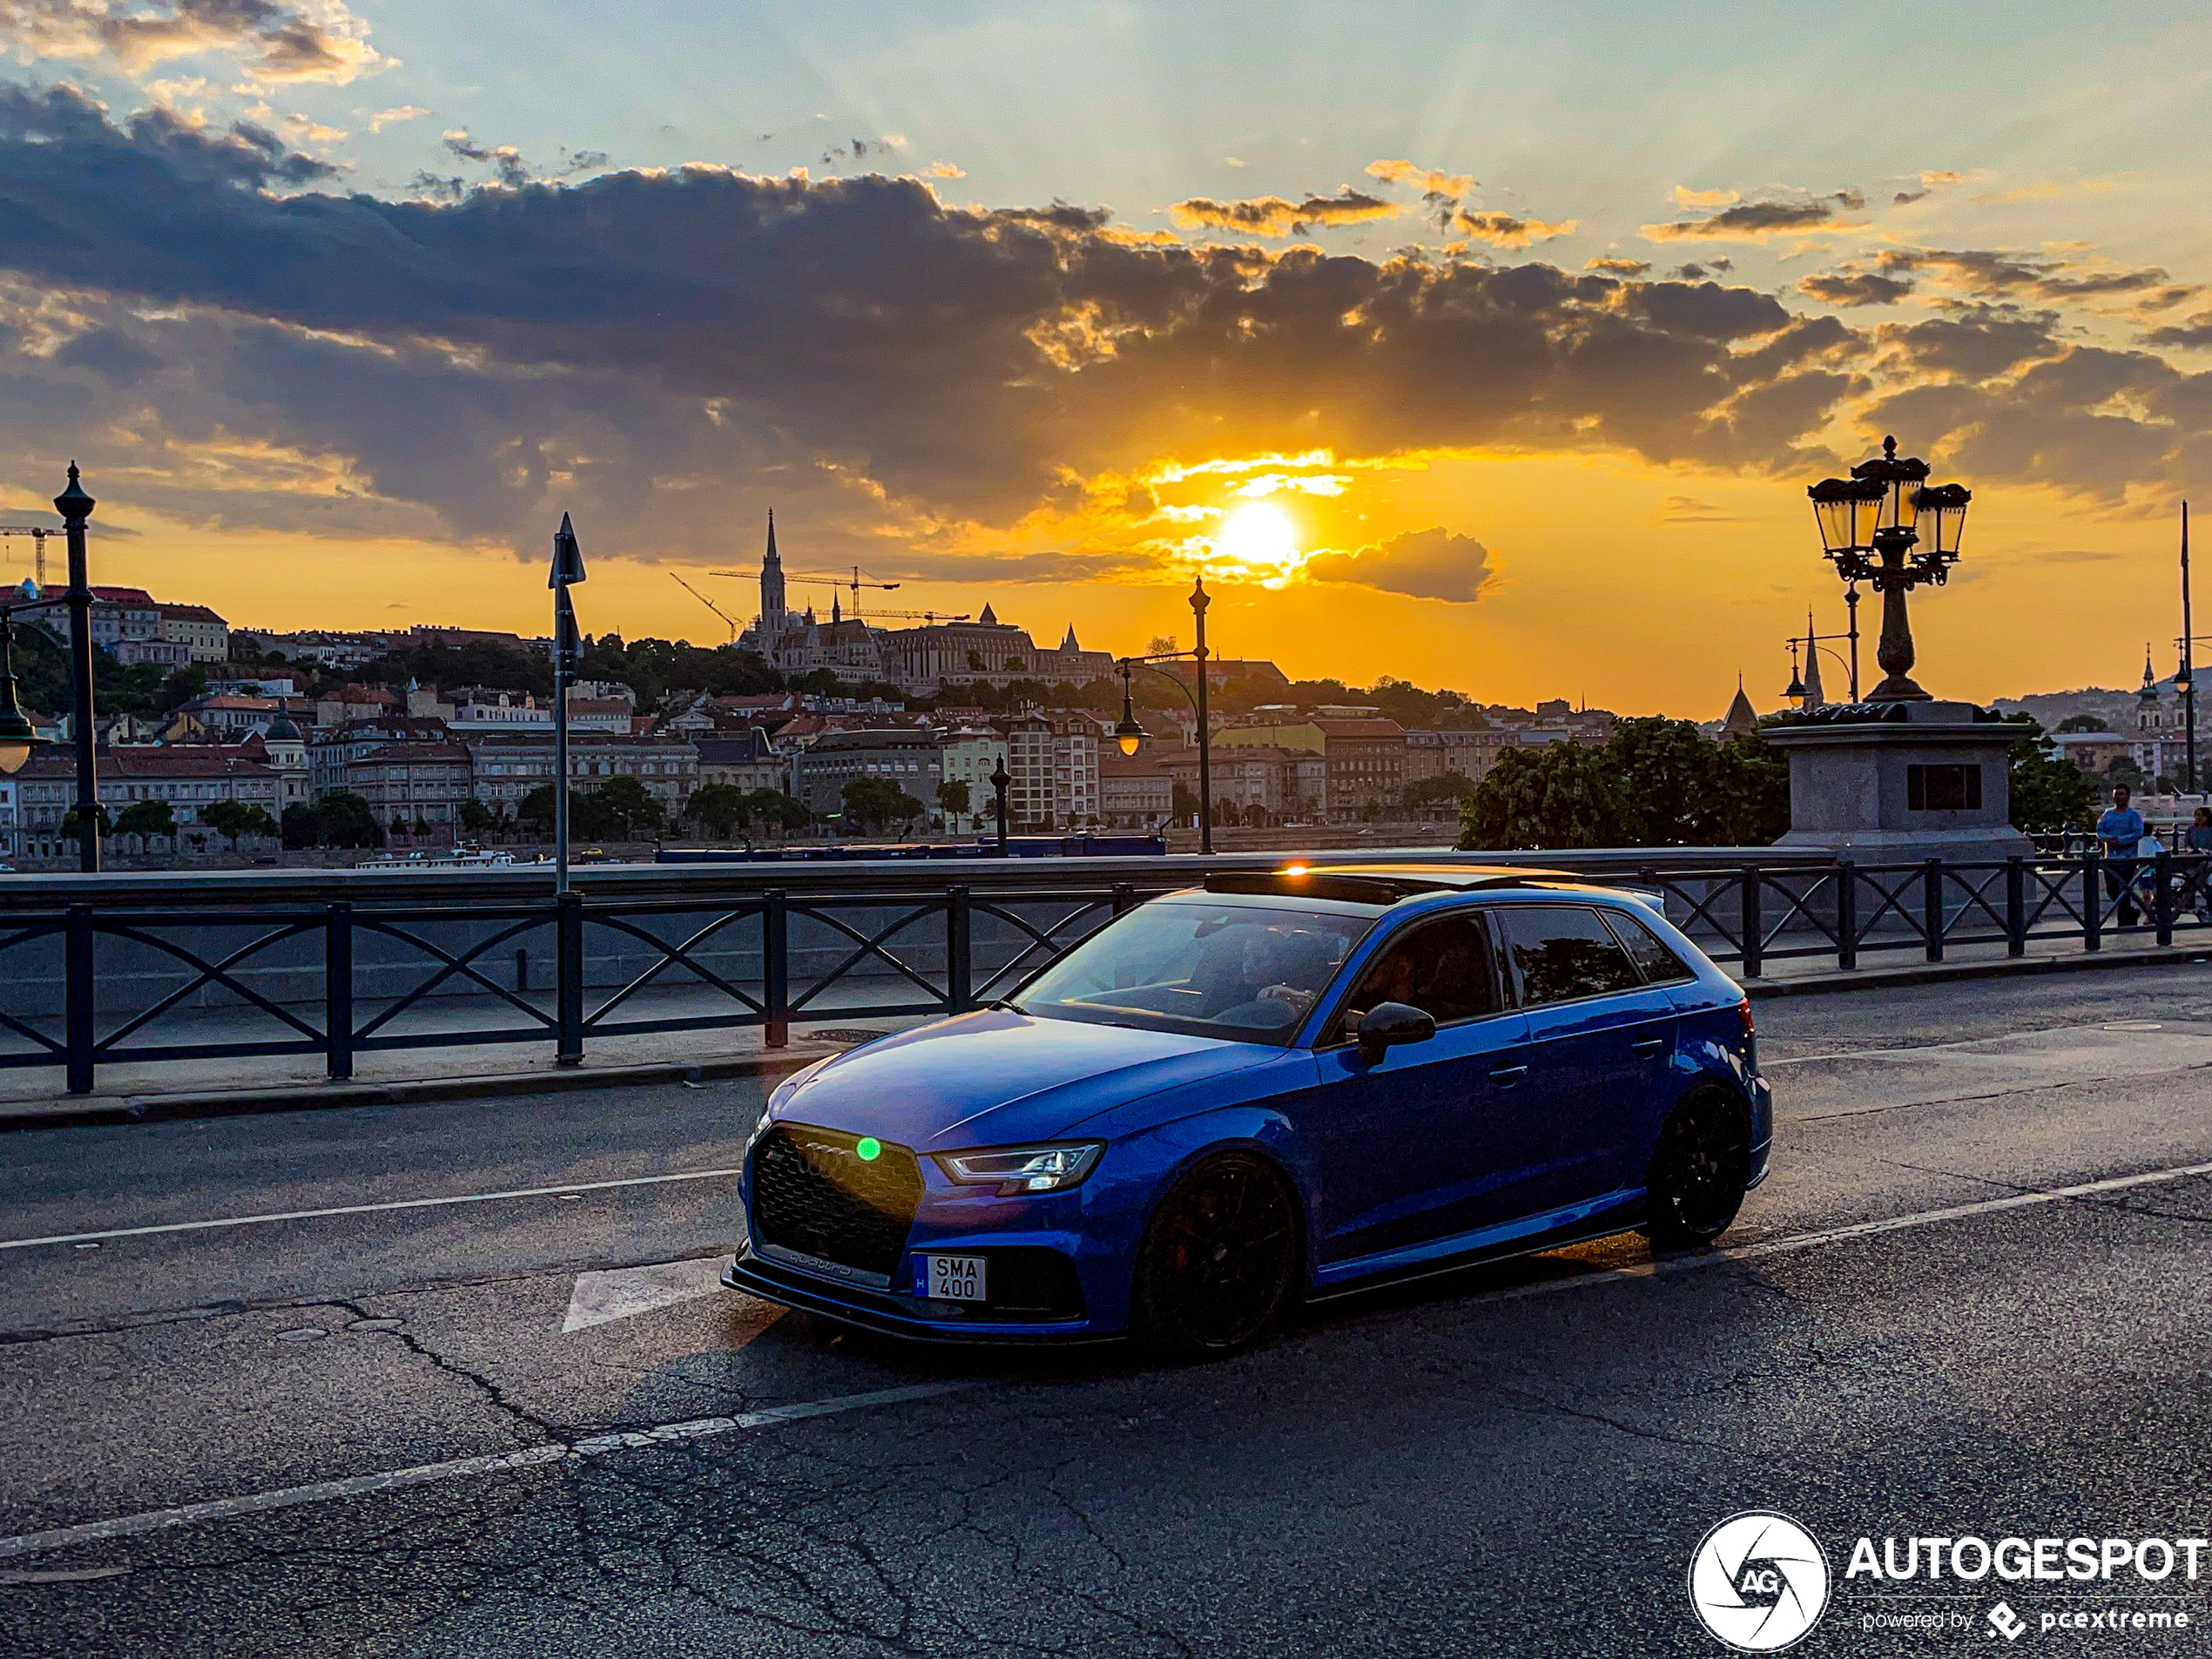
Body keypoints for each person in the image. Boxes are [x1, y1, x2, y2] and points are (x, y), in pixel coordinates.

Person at [2097, 785, 2147, 927]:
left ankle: (2124, 921)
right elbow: (2100, 830)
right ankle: (2130, 912)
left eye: (2121, 794)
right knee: (2112, 890)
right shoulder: (2107, 815)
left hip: (2127, 859)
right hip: (2110, 859)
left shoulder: (2134, 815)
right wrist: (2108, 838)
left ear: (2128, 796)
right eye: (2116, 794)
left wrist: (2121, 840)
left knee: (2124, 889)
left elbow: (2138, 833)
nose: (2118, 797)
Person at [2186, 806, 2212, 921]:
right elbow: (2187, 844)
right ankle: (2190, 906)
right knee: (2192, 881)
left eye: (2201, 815)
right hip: (2196, 860)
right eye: (2196, 815)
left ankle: (2209, 908)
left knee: (2209, 884)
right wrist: (2190, 850)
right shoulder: (2191, 830)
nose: (2199, 818)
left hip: (2210, 860)